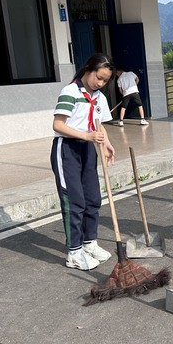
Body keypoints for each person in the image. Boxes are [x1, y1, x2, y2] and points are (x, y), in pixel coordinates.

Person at [50, 53, 116, 271]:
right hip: (67, 149)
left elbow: (100, 125)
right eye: (99, 77)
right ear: (89, 68)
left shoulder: (99, 97)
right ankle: (75, 251)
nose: (100, 83)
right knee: (74, 201)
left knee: (93, 198)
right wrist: (87, 136)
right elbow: (58, 125)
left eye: (105, 80)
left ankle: (90, 243)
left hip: (89, 149)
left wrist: (106, 143)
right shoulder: (70, 92)